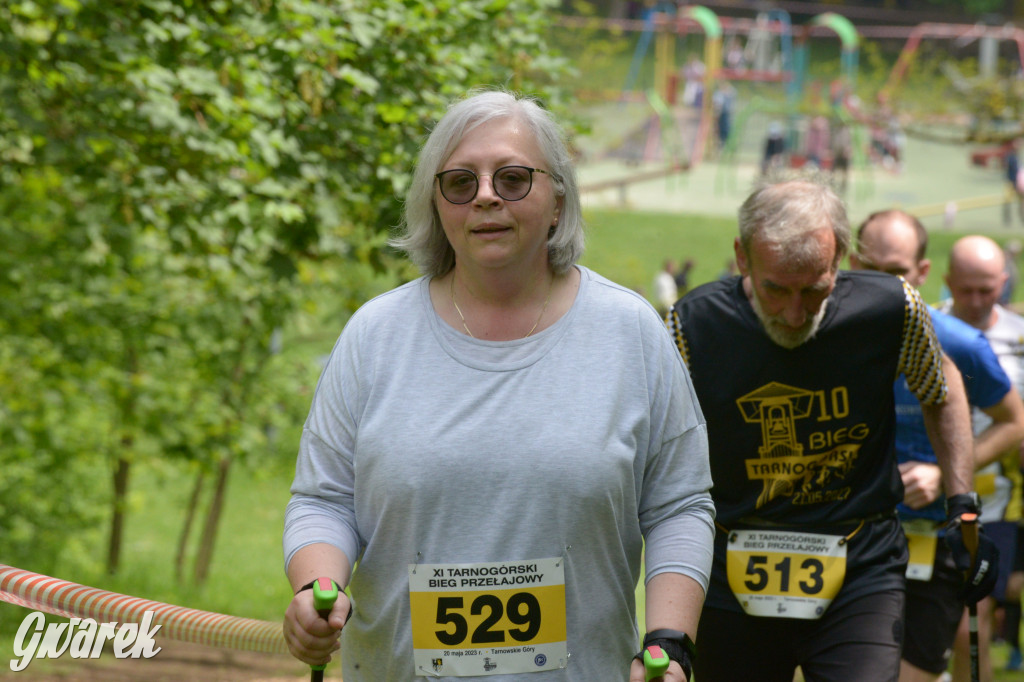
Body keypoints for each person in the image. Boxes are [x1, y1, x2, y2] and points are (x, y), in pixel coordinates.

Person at [281, 89, 716, 682]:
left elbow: (679, 504)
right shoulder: (374, 335)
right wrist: (317, 585)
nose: (485, 195)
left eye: (512, 178)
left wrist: (671, 642)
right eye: (460, 182)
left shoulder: (631, 331)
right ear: (437, 205)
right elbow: (323, 498)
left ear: (558, 200)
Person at [666, 179, 986, 682]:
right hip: (731, 568)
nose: (795, 314)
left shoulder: (891, 309)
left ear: (841, 262)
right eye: (776, 289)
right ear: (741, 257)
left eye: (814, 288)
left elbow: (940, 387)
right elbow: (660, 448)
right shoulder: (692, 324)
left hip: (860, 565)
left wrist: (962, 501)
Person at [849, 210, 1020, 682]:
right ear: (849, 262)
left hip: (932, 533)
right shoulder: (828, 340)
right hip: (849, 533)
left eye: (897, 273)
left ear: (921, 273)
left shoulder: (961, 345)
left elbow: (1014, 422)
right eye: (872, 270)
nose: (884, 285)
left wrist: (944, 475)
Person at [941, 235, 1024, 682]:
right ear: (946, 281)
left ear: (1004, 282)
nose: (975, 301)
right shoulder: (928, 332)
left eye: (987, 290)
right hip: (926, 501)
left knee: (975, 621)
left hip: (994, 505)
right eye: (965, 289)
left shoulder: (1019, 338)